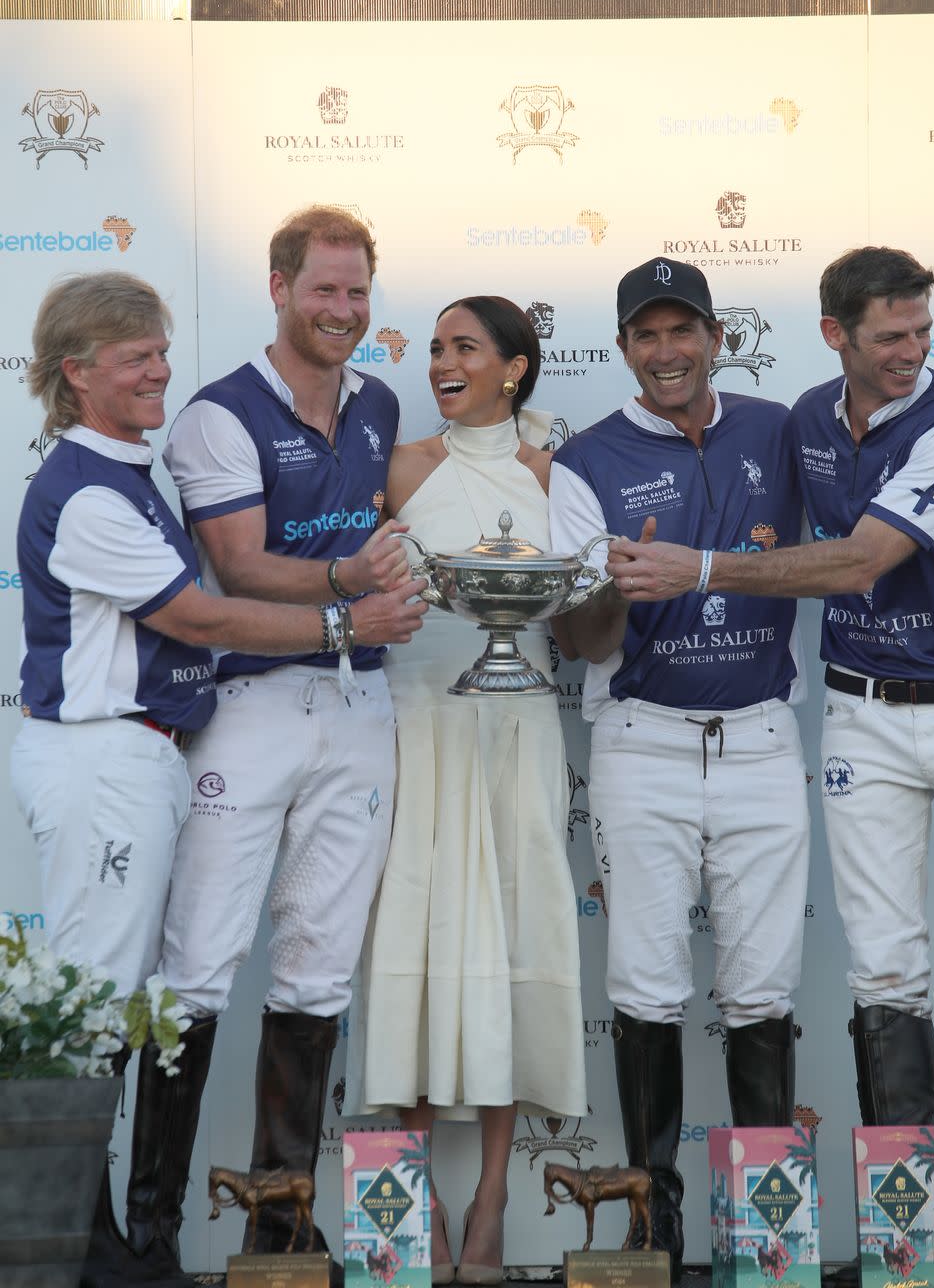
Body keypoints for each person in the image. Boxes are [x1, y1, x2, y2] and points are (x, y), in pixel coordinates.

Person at [11, 269, 412, 1288]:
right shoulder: (87, 488)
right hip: (104, 750)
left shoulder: (125, 464)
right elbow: (201, 616)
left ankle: (109, 1241)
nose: (159, 371)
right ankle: (75, 1241)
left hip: (144, 751)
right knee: (96, 1004)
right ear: (78, 372)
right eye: (136, 357)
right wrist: (343, 623)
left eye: (159, 350)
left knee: (107, 1000)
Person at [609, 245, 934, 1132]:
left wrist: (704, 570)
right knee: (883, 966)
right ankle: (905, 1241)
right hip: (856, 713)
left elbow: (860, 561)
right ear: (835, 333)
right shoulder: (804, 420)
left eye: (920, 331)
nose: (911, 351)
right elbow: (729, 483)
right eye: (889, 336)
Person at [146, 206, 425, 1266]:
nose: (344, 311)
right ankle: (153, 1232)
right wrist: (354, 581)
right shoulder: (219, 415)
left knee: (316, 972)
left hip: (359, 705)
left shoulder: (380, 398)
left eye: (358, 292)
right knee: (199, 970)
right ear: (278, 287)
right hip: (252, 707)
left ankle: (280, 1235)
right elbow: (243, 564)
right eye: (325, 290)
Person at [548, 257, 810, 1281]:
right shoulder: (585, 459)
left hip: (759, 738)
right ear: (622, 348)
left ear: (715, 337)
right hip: (643, 741)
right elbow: (584, 640)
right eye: (646, 336)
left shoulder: (779, 430)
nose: (667, 352)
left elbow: (838, 548)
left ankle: (767, 1235)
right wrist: (619, 584)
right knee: (647, 987)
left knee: (763, 989)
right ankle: (652, 1233)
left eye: (683, 331)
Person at [348, 296, 586, 1286]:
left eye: (465, 348)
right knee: (420, 945)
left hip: (519, 727)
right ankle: (414, 1216)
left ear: (515, 369)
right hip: (418, 725)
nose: (443, 362)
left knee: (511, 940)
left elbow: (586, 612)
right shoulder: (401, 466)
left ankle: (489, 1201)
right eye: (437, 347)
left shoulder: (556, 477)